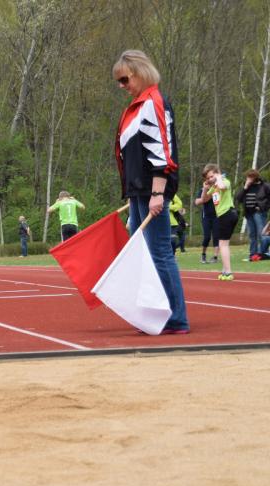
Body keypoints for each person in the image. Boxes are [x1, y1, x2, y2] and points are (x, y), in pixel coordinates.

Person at [113, 49, 189, 334]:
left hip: (151, 189)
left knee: (159, 252)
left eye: (125, 79)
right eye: (119, 81)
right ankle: (155, 313)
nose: (122, 86)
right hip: (138, 190)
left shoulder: (153, 102)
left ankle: (175, 318)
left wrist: (158, 193)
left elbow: (161, 150)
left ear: (140, 73)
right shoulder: (137, 106)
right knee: (143, 254)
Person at [200, 164, 237, 280]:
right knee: (224, 243)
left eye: (211, 176)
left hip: (227, 214)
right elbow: (204, 199)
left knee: (222, 244)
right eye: (208, 178)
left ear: (217, 173)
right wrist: (205, 188)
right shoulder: (214, 187)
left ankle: (228, 272)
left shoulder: (225, 181)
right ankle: (225, 270)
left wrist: (219, 178)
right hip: (224, 216)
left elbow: (223, 187)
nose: (210, 179)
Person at [235, 169, 270, 261]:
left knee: (261, 234)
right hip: (248, 213)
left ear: (255, 177)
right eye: (247, 177)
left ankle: (263, 254)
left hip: (259, 213)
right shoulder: (246, 186)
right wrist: (245, 187)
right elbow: (238, 198)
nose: (248, 179)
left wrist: (263, 207)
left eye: (250, 177)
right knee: (252, 234)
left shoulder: (264, 186)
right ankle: (252, 255)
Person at [194, 179, 219, 264]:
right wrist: (206, 195)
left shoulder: (217, 189)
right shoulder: (202, 190)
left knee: (216, 236)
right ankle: (203, 254)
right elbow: (197, 202)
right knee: (207, 237)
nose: (209, 183)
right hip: (206, 217)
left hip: (217, 216)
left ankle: (215, 257)